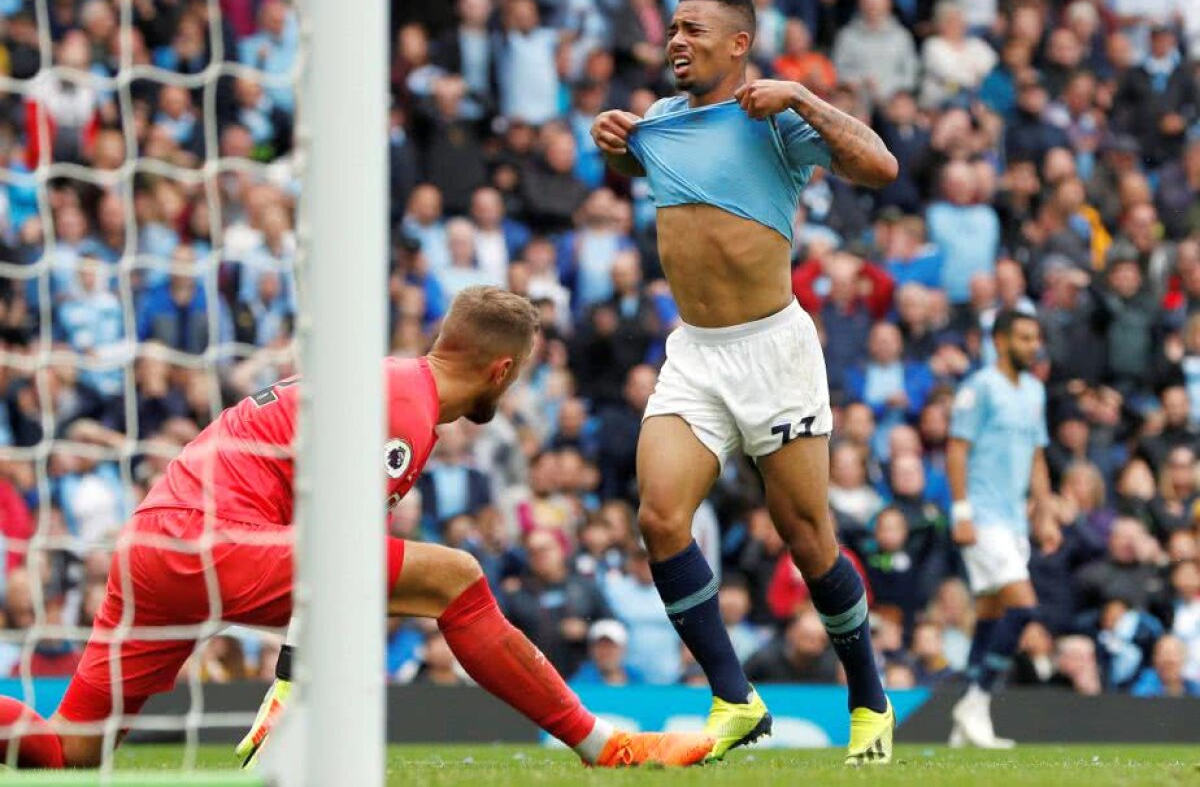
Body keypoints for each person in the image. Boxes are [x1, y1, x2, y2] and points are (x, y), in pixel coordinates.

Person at [0, 288, 712, 771]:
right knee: (455, 577)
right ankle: (603, 746)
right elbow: (336, 551)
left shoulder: (392, 384)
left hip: (153, 543)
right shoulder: (406, 411)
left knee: (70, 753)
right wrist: (290, 679)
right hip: (212, 539)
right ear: (501, 371)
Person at [590, 0, 898, 765]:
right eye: (672, 28)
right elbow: (645, 167)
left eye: (693, 29)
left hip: (774, 352)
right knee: (660, 518)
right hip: (696, 352)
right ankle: (735, 698)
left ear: (738, 45)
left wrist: (804, 97)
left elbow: (881, 166)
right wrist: (616, 144)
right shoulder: (661, 122)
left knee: (808, 537)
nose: (676, 40)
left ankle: (870, 700)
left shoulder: (776, 119)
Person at [947, 310, 1052, 748]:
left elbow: (1037, 456)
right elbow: (956, 449)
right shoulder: (979, 387)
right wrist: (961, 512)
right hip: (983, 516)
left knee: (990, 614)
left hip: (1014, 521)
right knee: (1023, 608)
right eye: (1024, 338)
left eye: (1035, 338)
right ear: (1001, 340)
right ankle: (975, 702)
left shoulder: (1035, 391)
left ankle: (965, 728)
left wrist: (1045, 514)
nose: (1033, 346)